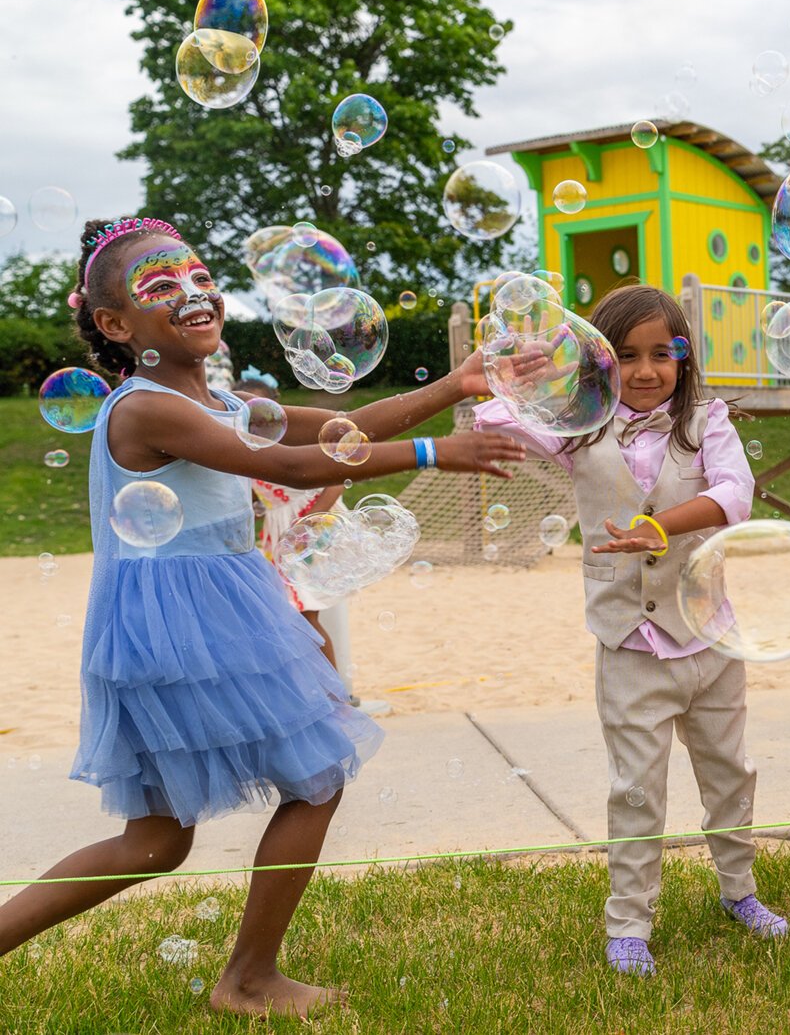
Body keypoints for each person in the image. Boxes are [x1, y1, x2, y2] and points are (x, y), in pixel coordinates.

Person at [0, 217, 526, 1018]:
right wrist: (434, 453)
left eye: (198, 274)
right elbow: (286, 464)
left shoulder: (222, 398)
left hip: (205, 612)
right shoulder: (143, 409)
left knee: (154, 845)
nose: (193, 291)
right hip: (184, 628)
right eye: (160, 286)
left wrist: (454, 389)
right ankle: (248, 979)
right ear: (114, 326)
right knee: (316, 778)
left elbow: (339, 433)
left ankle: (245, 975)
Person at [474, 284, 787, 977]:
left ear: (683, 360)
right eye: (625, 356)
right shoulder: (579, 425)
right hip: (628, 645)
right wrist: (533, 365)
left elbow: (735, 494)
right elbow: (489, 415)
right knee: (637, 788)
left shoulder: (707, 421)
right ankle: (628, 924)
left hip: (708, 636)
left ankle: (739, 891)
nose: (646, 371)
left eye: (662, 355)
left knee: (730, 774)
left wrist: (657, 527)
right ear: (601, 362)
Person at [234, 366, 352, 676]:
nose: (256, 423)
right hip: (281, 527)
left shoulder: (294, 441)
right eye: (248, 416)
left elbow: (337, 478)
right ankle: (321, 687)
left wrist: (310, 523)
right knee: (293, 614)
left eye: (262, 415)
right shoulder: (242, 447)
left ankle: (334, 693)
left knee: (303, 614)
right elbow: (253, 493)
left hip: (312, 521)